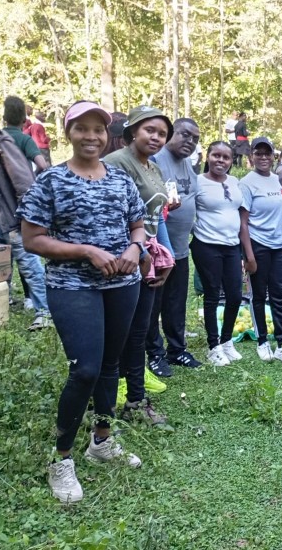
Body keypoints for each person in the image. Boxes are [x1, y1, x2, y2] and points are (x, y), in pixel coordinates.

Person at [18, 101, 145, 504]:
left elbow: (139, 224)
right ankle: (61, 459)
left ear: (108, 135)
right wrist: (87, 250)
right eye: (82, 129)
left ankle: (102, 441)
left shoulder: (120, 180)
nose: (91, 136)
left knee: (111, 364)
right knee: (85, 369)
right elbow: (32, 239)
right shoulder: (51, 182)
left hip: (123, 283)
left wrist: (134, 248)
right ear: (68, 133)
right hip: (72, 285)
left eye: (98, 129)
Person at [103, 106, 175, 425]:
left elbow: (155, 217)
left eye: (161, 133)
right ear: (131, 130)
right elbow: (107, 214)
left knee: (138, 332)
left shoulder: (153, 168)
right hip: (121, 261)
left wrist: (164, 257)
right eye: (150, 130)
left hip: (147, 259)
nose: (156, 137)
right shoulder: (116, 163)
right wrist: (135, 251)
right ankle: (105, 405)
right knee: (118, 333)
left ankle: (135, 401)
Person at [145, 118, 203, 376]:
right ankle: (155, 355)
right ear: (170, 134)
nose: (189, 142)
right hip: (158, 251)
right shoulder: (156, 160)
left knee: (176, 304)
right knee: (153, 306)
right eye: (185, 135)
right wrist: (165, 209)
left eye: (195, 139)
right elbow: (148, 204)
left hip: (180, 249)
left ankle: (177, 349)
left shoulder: (189, 165)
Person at [191, 141, 254, 366]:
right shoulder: (197, 181)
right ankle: (213, 346)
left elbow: (240, 213)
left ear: (230, 160)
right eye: (216, 155)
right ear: (208, 157)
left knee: (235, 295)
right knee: (212, 294)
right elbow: (186, 209)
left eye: (226, 157)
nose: (221, 160)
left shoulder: (234, 181)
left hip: (231, 246)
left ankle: (227, 341)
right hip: (207, 245)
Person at [0, 95, 51, 329]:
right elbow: (42, 165)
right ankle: (44, 311)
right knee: (29, 263)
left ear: (4, 116)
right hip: (16, 213)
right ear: (23, 118)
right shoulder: (22, 140)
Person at [240, 137, 282, 364]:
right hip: (258, 244)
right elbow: (242, 223)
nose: (263, 157)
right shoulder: (246, 182)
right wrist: (249, 255)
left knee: (280, 295)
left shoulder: (280, 180)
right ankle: (263, 341)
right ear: (251, 156)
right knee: (259, 295)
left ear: (274, 156)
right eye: (258, 153)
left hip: (280, 246)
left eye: (267, 153)